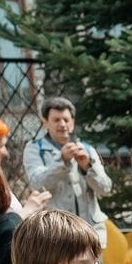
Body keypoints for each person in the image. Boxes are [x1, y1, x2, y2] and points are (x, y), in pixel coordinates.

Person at [24, 95, 112, 242]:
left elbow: (106, 188)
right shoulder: (34, 148)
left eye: (66, 119)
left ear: (72, 122)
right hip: (56, 235)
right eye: (56, 120)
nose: (62, 124)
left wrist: (87, 168)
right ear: (45, 122)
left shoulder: (87, 149)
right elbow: (37, 184)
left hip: (90, 233)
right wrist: (62, 161)